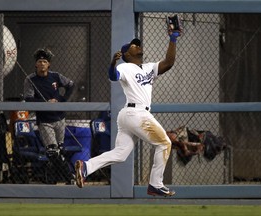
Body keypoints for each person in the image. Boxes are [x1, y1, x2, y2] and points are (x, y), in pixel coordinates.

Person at [75, 27, 181, 196]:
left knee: (120, 154)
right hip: (136, 114)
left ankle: (86, 167)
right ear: (126, 54)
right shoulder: (125, 67)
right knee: (164, 143)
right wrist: (112, 63)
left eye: (138, 45)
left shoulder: (148, 67)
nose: (138, 47)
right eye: (133, 46)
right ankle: (155, 184)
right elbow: (113, 77)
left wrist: (173, 39)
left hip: (129, 116)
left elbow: (169, 62)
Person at [23, 48, 74, 157]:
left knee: (61, 150)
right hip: (45, 120)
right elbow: (29, 99)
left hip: (60, 118)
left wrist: (61, 100)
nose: (42, 64)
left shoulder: (55, 76)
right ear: (36, 64)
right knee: (52, 152)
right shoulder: (30, 79)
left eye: (45, 62)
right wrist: (46, 102)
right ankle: (57, 172)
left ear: (48, 64)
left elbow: (70, 85)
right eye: (39, 61)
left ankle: (59, 173)